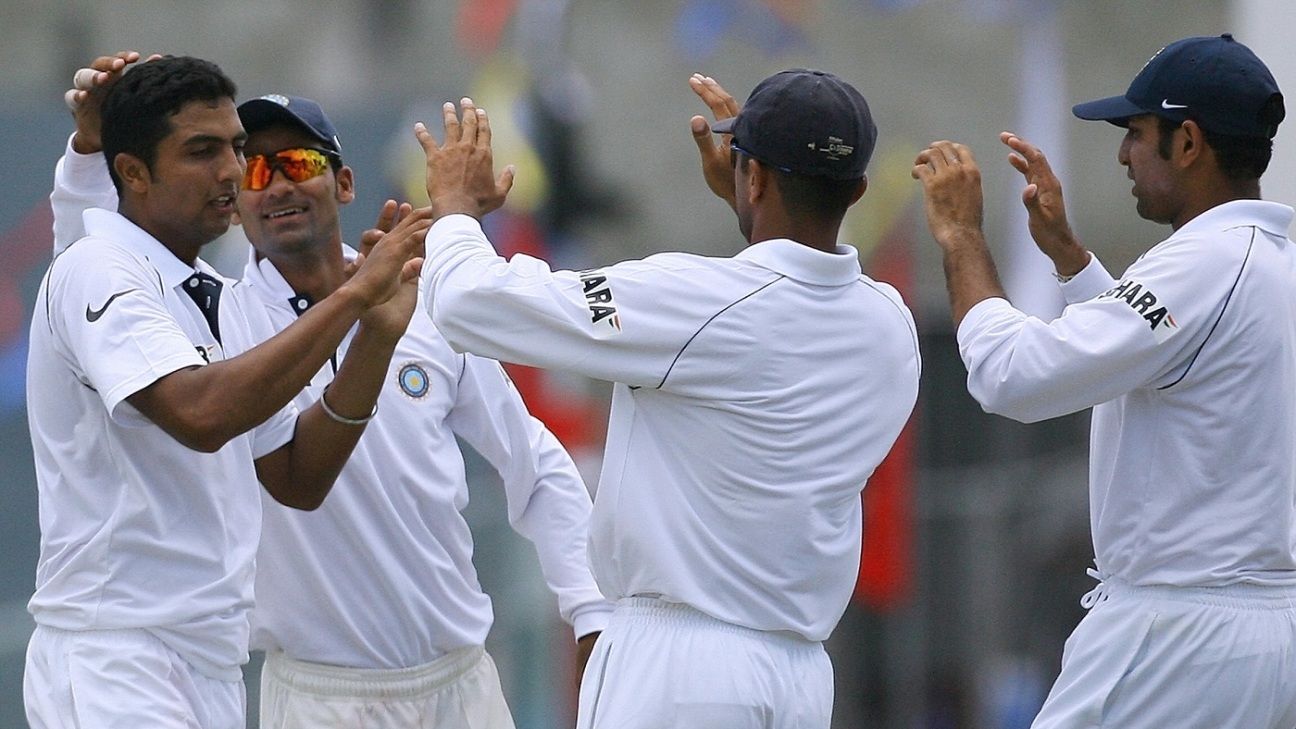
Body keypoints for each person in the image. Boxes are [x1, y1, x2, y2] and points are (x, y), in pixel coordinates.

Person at [53, 55, 614, 728]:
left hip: (459, 682)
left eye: (297, 163)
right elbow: (91, 267)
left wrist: (591, 610)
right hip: (319, 694)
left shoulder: (421, 299)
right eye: (255, 170)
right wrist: (87, 156)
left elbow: (533, 462)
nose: (273, 185)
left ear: (343, 183)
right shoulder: (214, 319)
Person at [414, 69, 921, 727]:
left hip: (680, 668)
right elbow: (768, 306)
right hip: (799, 674)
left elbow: (466, 301)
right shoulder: (892, 323)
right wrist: (756, 197)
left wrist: (455, 210)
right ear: (856, 190)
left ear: (753, 179)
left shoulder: (694, 301)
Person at [25, 54, 427, 729]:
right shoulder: (97, 269)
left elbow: (298, 476)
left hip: (210, 663)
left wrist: (376, 338)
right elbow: (200, 414)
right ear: (132, 173)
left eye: (235, 148)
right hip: (111, 656)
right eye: (201, 151)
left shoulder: (216, 295)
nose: (233, 172)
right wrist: (356, 294)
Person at [912, 34, 1296, 728]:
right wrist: (1072, 260)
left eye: (1136, 133)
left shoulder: (1202, 262)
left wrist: (962, 238)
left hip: (1178, 636)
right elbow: (1161, 359)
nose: (1122, 155)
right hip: (1256, 629)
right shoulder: (1270, 258)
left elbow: (1010, 377)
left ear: (1188, 142)